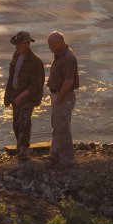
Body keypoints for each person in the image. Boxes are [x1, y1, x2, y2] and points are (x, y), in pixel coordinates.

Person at [3, 31, 45, 161]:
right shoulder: (16, 55)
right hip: (15, 94)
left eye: (18, 45)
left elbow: (35, 86)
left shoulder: (36, 62)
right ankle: (20, 146)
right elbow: (12, 77)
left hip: (28, 97)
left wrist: (20, 97)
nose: (16, 47)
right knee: (16, 122)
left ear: (26, 44)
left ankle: (24, 149)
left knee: (24, 121)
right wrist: (8, 95)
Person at [46, 31, 79, 169]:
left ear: (59, 43)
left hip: (63, 96)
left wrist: (60, 98)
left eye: (50, 45)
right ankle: (55, 154)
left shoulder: (68, 57)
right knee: (56, 126)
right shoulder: (60, 54)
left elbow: (69, 81)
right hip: (58, 95)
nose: (49, 48)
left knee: (63, 128)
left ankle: (67, 160)